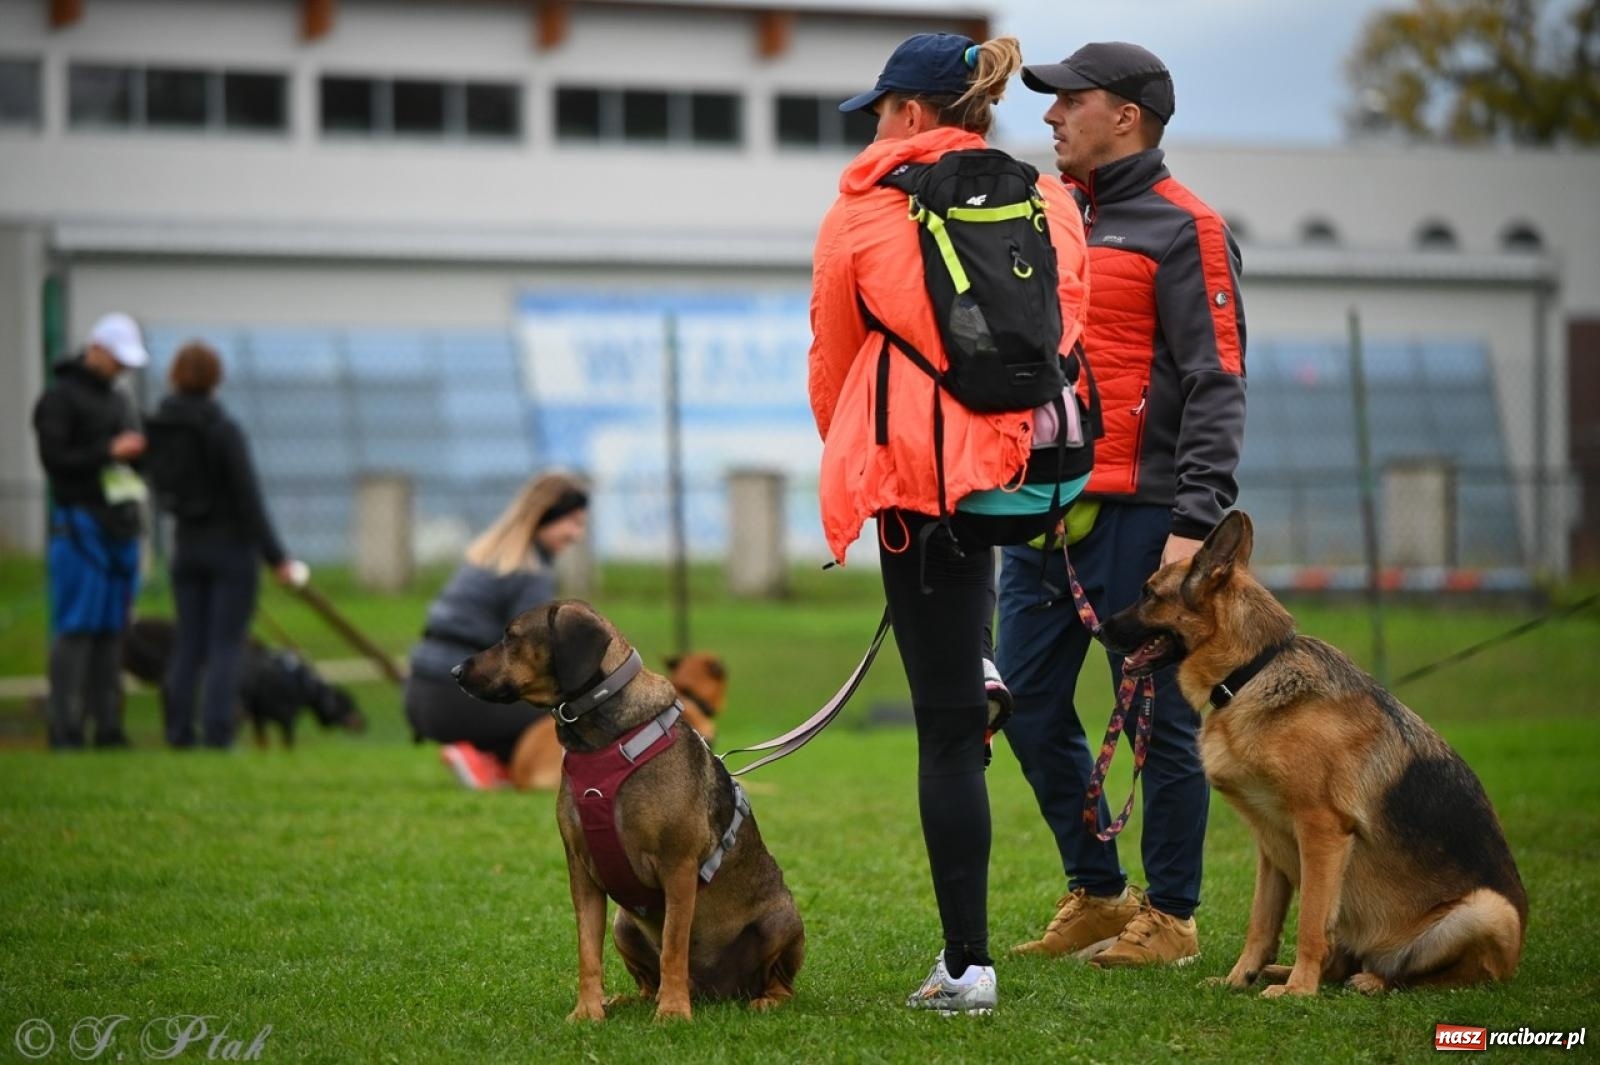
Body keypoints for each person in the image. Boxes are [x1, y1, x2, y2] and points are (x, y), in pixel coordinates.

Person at [808, 32, 1091, 1013]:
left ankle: (967, 969)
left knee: (944, 736)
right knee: (965, 673)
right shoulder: (1049, 199)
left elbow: (834, 360)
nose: (875, 123)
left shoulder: (862, 208)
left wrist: (860, 459)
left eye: (883, 108)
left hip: (921, 489)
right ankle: (978, 659)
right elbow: (1067, 328)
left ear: (916, 114)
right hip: (1038, 479)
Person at [997, 42, 1247, 968]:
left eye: (1071, 101)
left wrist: (1193, 524)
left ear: (1127, 116)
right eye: (1051, 103)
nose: (1053, 116)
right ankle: (1099, 890)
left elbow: (1217, 382)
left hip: (1147, 520)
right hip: (1038, 510)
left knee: (1159, 723)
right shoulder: (1048, 216)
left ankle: (1173, 918)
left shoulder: (1188, 228)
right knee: (1019, 702)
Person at [152, 341, 304, 749]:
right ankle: (218, 733)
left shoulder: (161, 431)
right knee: (224, 646)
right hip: (230, 551)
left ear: (175, 376)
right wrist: (277, 557)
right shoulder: (222, 429)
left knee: (188, 643)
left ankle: (178, 732)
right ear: (216, 379)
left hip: (185, 548)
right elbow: (248, 499)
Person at [405, 473, 589, 789]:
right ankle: (482, 756)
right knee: (571, 709)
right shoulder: (529, 571)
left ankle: (494, 762)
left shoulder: (488, 556)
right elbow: (542, 654)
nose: (577, 534)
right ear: (545, 517)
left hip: (421, 693)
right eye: (572, 522)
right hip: (456, 699)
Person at [32, 313, 151, 749]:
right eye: (117, 359)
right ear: (95, 349)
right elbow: (56, 461)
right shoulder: (59, 400)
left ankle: (108, 727)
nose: (122, 369)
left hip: (119, 527)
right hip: (79, 527)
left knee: (111, 631)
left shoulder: (120, 402)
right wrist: (107, 450)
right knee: (77, 629)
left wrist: (137, 453)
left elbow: (136, 458)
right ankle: (65, 728)